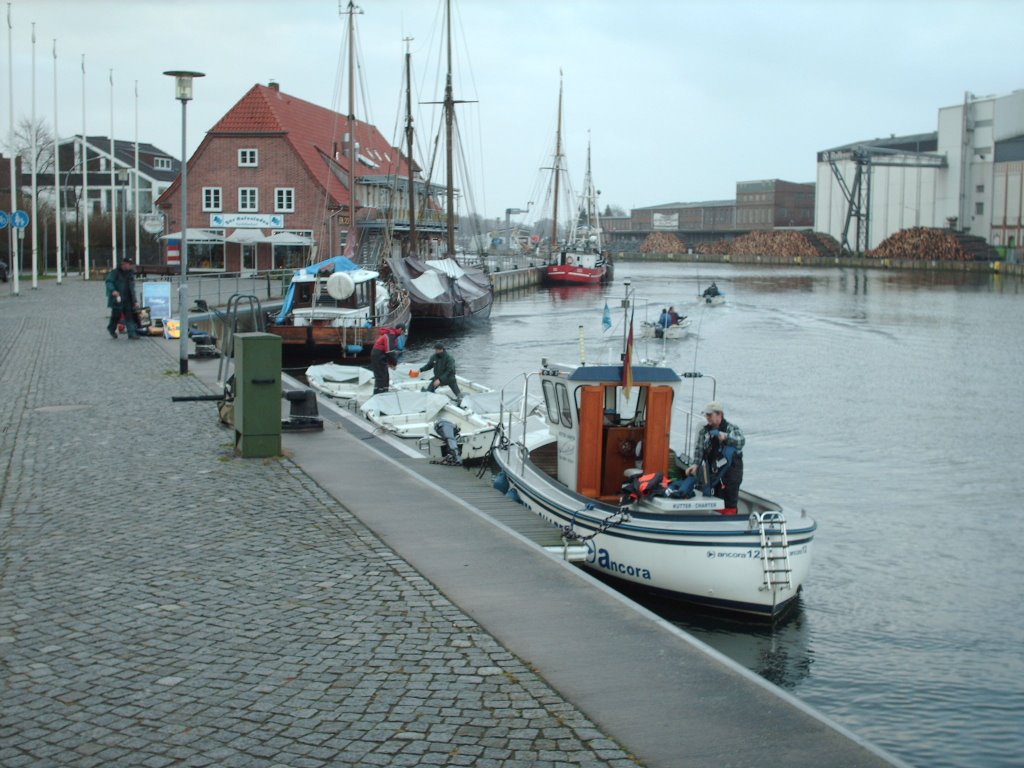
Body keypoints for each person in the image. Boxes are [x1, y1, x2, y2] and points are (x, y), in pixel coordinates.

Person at [685, 401, 744, 512]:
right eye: (706, 415)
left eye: (709, 415)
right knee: (712, 500)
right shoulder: (704, 431)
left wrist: (727, 438)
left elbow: (741, 442)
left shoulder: (732, 429)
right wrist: (695, 464)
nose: (707, 418)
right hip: (713, 474)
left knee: (729, 503)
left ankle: (729, 523)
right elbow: (699, 450)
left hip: (730, 475)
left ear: (719, 414)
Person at [105, 257, 140, 339]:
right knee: (115, 316)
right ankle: (111, 329)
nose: (130, 266)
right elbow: (109, 282)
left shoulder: (130, 273)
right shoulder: (115, 272)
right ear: (124, 264)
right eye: (129, 264)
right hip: (118, 298)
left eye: (131, 264)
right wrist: (113, 290)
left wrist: (135, 301)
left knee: (129, 315)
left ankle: (132, 333)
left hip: (128, 299)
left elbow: (132, 289)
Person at [370, 323, 406, 394]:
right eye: (403, 332)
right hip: (378, 355)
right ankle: (379, 394)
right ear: (400, 329)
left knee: (385, 376)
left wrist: (390, 363)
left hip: (381, 355)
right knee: (381, 376)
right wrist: (394, 363)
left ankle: (384, 392)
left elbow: (388, 352)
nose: (403, 334)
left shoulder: (393, 336)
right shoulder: (390, 335)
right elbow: (390, 352)